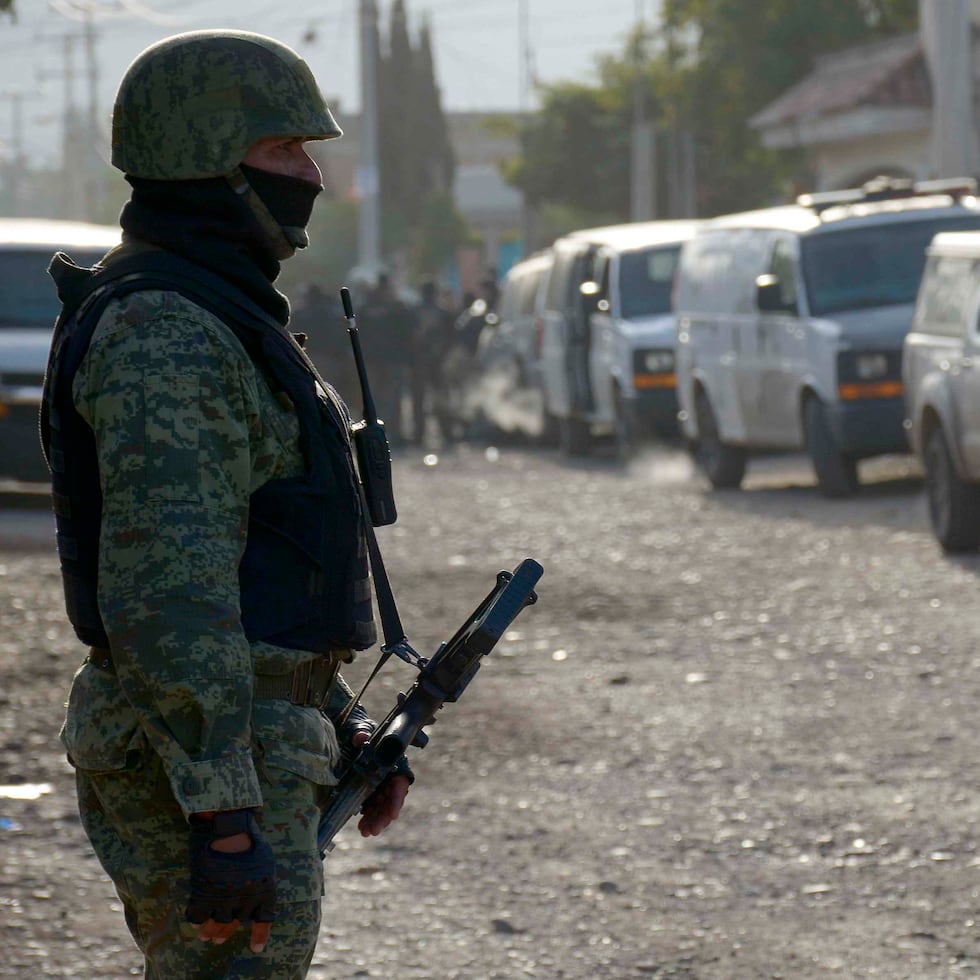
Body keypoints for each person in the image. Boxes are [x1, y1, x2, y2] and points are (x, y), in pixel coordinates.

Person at [40, 30, 411, 979]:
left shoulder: (220, 315)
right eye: (286, 149)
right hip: (203, 762)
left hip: (243, 747)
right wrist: (223, 817)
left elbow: (259, 569)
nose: (313, 176)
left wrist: (336, 715)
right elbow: (170, 596)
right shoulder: (167, 331)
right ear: (209, 157)